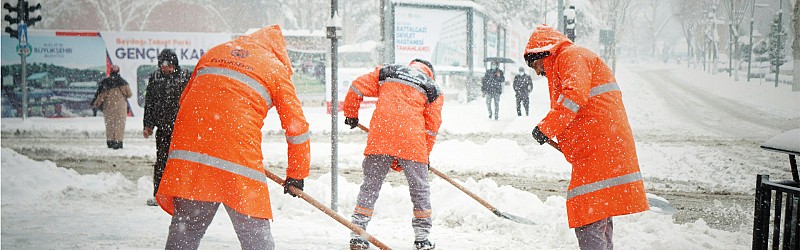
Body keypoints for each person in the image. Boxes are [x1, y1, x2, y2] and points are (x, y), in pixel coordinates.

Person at [154, 25, 311, 249]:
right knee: (255, 235)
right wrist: (297, 174)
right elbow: (297, 127)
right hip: (237, 156)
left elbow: (185, 100)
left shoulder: (214, 52)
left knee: (186, 230)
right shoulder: (274, 67)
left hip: (192, 151)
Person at [524, 24, 649, 250]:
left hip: (599, 147)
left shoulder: (571, 56)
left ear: (542, 53)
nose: (538, 72)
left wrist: (546, 128)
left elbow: (574, 97)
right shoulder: (569, 59)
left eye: (535, 65)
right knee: (597, 211)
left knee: (588, 214)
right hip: (599, 146)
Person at [342, 58, 442, 250]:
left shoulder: (388, 72)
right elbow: (431, 128)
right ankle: (422, 239)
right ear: (430, 72)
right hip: (412, 140)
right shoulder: (433, 88)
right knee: (420, 190)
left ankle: (357, 235)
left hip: (381, 135)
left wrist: (351, 114)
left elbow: (356, 86)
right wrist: (424, 155)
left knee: (370, 187)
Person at [142, 49, 191, 206]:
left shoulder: (185, 77)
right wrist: (148, 125)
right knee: (162, 162)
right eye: (163, 66)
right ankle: (159, 195)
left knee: (181, 163)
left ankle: (182, 196)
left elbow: (193, 102)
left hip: (181, 129)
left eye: (169, 65)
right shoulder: (155, 78)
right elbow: (150, 103)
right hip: (163, 129)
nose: (166, 69)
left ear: (174, 64)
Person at [92, 65, 132, 149]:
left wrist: (96, 104)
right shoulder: (123, 82)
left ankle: (110, 141)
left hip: (109, 107)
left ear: (110, 71)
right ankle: (118, 141)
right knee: (120, 125)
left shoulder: (106, 82)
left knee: (110, 124)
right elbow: (129, 94)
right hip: (121, 108)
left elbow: (101, 96)